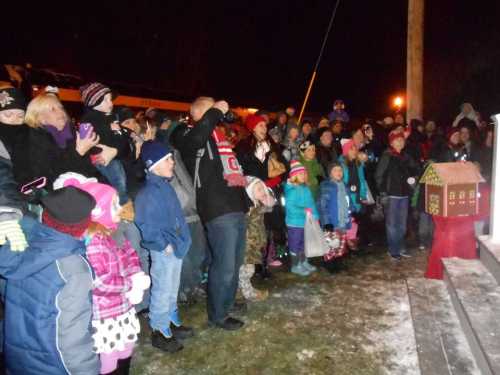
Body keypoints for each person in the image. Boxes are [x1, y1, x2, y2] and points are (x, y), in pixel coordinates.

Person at [57, 177, 149, 375]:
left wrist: (136, 273)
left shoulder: (114, 232)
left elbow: (131, 255)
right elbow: (100, 282)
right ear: (99, 210)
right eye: (113, 205)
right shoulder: (93, 241)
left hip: (122, 308)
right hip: (105, 316)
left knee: (126, 349)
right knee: (109, 358)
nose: (119, 208)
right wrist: (130, 283)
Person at [170, 97, 248, 331]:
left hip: (235, 204)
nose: (219, 111)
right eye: (212, 107)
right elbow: (195, 139)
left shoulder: (218, 136)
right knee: (224, 265)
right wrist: (215, 111)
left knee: (234, 263)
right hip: (216, 207)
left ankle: (227, 303)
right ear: (200, 112)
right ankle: (218, 315)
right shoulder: (185, 133)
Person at [3, 187, 99, 375]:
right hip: (54, 365)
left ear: (45, 216)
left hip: (18, 359)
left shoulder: (21, 243)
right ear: (83, 225)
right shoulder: (74, 269)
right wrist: (88, 369)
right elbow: (71, 336)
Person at [135, 141, 193, 352]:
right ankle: (159, 329)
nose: (172, 163)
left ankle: (170, 319)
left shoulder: (165, 187)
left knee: (172, 287)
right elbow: (146, 224)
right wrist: (163, 244)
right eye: (167, 159)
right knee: (161, 289)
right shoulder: (147, 194)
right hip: (164, 250)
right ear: (154, 164)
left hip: (176, 246)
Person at [15, 93, 107, 189]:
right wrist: (79, 151)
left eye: (61, 108)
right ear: (39, 118)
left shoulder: (71, 133)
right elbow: (48, 177)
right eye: (52, 109)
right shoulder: (33, 138)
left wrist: (94, 149)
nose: (61, 112)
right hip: (59, 195)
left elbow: (87, 169)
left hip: (86, 187)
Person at [80, 82, 130, 204]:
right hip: (101, 158)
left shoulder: (110, 116)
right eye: (105, 100)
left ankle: (121, 201)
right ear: (94, 103)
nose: (111, 103)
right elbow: (89, 138)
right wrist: (111, 129)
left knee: (120, 179)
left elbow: (122, 137)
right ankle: (121, 202)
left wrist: (123, 133)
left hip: (114, 156)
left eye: (110, 99)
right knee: (118, 181)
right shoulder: (89, 119)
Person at [375, 132, 419, 261]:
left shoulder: (406, 156)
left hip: (404, 195)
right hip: (392, 195)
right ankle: (393, 249)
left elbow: (416, 169)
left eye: (402, 140)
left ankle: (401, 247)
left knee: (402, 224)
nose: (400, 142)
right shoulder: (387, 156)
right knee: (392, 224)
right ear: (391, 143)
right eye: (397, 140)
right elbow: (379, 175)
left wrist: (413, 179)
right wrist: (383, 192)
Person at [240, 177, 275, 301]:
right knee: (247, 270)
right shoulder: (249, 208)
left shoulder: (258, 205)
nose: (263, 191)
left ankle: (243, 290)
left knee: (247, 270)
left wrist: (267, 197)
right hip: (247, 244)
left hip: (254, 243)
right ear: (250, 191)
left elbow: (270, 205)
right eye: (259, 189)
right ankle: (247, 292)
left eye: (263, 189)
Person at [284, 160, 319, 276]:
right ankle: (295, 265)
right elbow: (290, 207)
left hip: (305, 222)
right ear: (294, 176)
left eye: (304, 174)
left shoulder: (306, 189)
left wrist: (315, 216)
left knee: (304, 243)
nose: (303, 176)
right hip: (294, 223)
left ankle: (304, 261)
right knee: (295, 244)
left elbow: (311, 204)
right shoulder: (292, 191)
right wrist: (304, 211)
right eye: (300, 174)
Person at [338, 140, 368, 250]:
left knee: (355, 221)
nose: (355, 150)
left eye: (355, 148)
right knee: (347, 220)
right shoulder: (341, 164)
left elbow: (362, 180)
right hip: (347, 197)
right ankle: (345, 245)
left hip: (357, 196)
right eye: (352, 148)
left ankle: (352, 242)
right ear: (346, 151)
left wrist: (363, 195)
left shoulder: (358, 164)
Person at [318, 163, 352, 259]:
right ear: (330, 173)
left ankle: (338, 260)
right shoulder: (326, 186)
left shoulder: (344, 185)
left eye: (340, 170)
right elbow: (322, 204)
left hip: (343, 220)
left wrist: (352, 209)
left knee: (341, 243)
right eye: (335, 170)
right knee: (331, 243)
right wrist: (326, 222)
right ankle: (330, 263)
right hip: (331, 221)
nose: (339, 172)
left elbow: (348, 200)